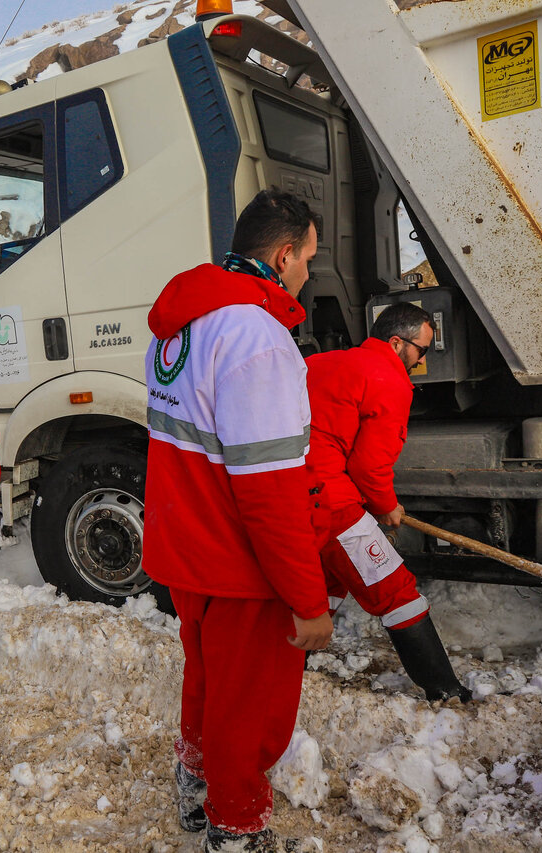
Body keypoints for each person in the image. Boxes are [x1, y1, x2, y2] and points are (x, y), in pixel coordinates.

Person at [145, 189, 333, 852]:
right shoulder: (257, 337)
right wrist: (308, 599)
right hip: (238, 560)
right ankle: (237, 827)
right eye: (308, 256)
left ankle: (194, 786)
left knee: (207, 682)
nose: (309, 270)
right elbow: (269, 488)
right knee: (247, 707)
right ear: (283, 255)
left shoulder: (180, 327)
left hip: (187, 550)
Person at [306, 301, 470, 702]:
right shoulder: (389, 379)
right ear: (396, 343)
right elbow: (370, 467)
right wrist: (386, 506)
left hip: (290, 491)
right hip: (329, 499)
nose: (421, 359)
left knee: (327, 582)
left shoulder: (324, 362)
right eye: (421, 350)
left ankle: (293, 668)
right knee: (396, 591)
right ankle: (445, 691)